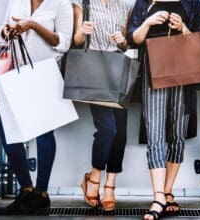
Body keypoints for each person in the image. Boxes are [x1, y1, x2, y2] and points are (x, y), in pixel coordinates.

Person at [127, 0, 200, 219]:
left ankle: (168, 190)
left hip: (184, 71)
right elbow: (134, 39)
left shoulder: (191, 3)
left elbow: (197, 39)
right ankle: (158, 196)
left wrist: (182, 28)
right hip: (153, 70)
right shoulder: (144, 3)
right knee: (155, 132)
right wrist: (149, 22)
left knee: (178, 133)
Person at [0, 0, 73, 212]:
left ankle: (42, 192)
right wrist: (7, 31)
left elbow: (63, 43)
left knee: (44, 133)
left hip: (45, 75)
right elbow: (4, 32)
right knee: (5, 129)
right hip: (15, 73)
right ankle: (26, 189)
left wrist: (33, 25)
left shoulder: (61, 4)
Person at [72, 0, 131, 211]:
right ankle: (94, 176)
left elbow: (125, 45)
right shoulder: (82, 2)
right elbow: (77, 40)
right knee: (107, 129)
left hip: (117, 67)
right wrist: (82, 30)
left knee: (121, 133)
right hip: (93, 67)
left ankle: (110, 185)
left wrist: (122, 41)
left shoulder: (123, 5)